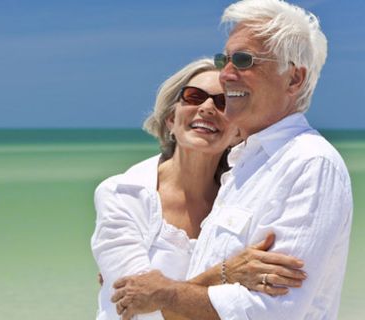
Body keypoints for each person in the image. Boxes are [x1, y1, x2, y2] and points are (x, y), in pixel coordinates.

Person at [110, 1, 353, 319]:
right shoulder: (242, 165)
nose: (225, 75)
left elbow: (271, 312)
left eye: (243, 60)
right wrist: (220, 275)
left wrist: (164, 295)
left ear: (293, 79)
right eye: (224, 59)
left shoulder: (310, 164)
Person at [91, 58, 306, 320]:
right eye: (194, 97)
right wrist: (225, 274)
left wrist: (162, 293)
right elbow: (142, 311)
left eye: (223, 102)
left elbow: (257, 302)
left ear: (238, 132)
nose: (206, 108)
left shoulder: (244, 199)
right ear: (171, 119)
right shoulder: (123, 194)